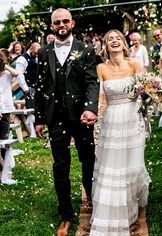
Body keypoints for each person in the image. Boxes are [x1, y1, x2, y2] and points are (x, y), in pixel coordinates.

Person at [34, 8, 99, 235]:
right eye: (56, 22)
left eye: (64, 21)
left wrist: (90, 109)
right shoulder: (43, 52)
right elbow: (40, 88)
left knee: (88, 160)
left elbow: (92, 83)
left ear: (72, 23)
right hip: (56, 117)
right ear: (51, 26)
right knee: (60, 165)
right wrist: (39, 118)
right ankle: (65, 214)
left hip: (80, 116)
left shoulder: (86, 49)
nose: (61, 25)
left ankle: (93, 200)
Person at [89, 29, 151, 235]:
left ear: (124, 44)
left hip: (133, 117)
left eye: (118, 39)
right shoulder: (100, 68)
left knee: (132, 164)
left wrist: (145, 111)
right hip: (112, 118)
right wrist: (91, 114)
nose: (114, 42)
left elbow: (145, 93)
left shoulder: (134, 64)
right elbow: (96, 96)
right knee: (113, 163)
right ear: (105, 46)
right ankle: (113, 207)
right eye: (109, 40)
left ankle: (132, 204)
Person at [0, 48, 19, 184]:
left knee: (4, 141)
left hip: (6, 111)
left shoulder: (7, 74)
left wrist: (4, 65)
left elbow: (16, 73)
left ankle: (5, 171)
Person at [16, 42, 41, 109]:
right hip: (28, 87)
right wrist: (25, 88)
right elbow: (19, 75)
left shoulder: (36, 57)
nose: (36, 55)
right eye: (35, 53)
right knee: (31, 109)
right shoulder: (22, 59)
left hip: (37, 86)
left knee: (38, 108)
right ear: (31, 49)